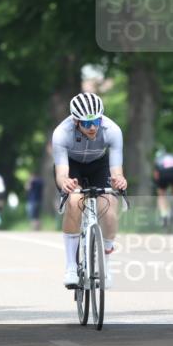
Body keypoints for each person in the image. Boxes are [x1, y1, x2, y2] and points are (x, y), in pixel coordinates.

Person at [52, 91, 127, 288]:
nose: (93, 127)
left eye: (95, 121)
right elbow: (61, 173)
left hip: (99, 165)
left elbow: (116, 171)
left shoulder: (112, 130)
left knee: (110, 208)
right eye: (86, 123)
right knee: (75, 202)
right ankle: (70, 266)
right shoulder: (61, 133)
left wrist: (119, 180)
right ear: (76, 121)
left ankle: (106, 266)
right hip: (72, 165)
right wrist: (66, 184)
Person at [153, 149, 173, 227]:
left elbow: (156, 174)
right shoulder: (172, 156)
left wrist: (157, 184)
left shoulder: (158, 159)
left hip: (163, 173)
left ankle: (163, 215)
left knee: (161, 195)